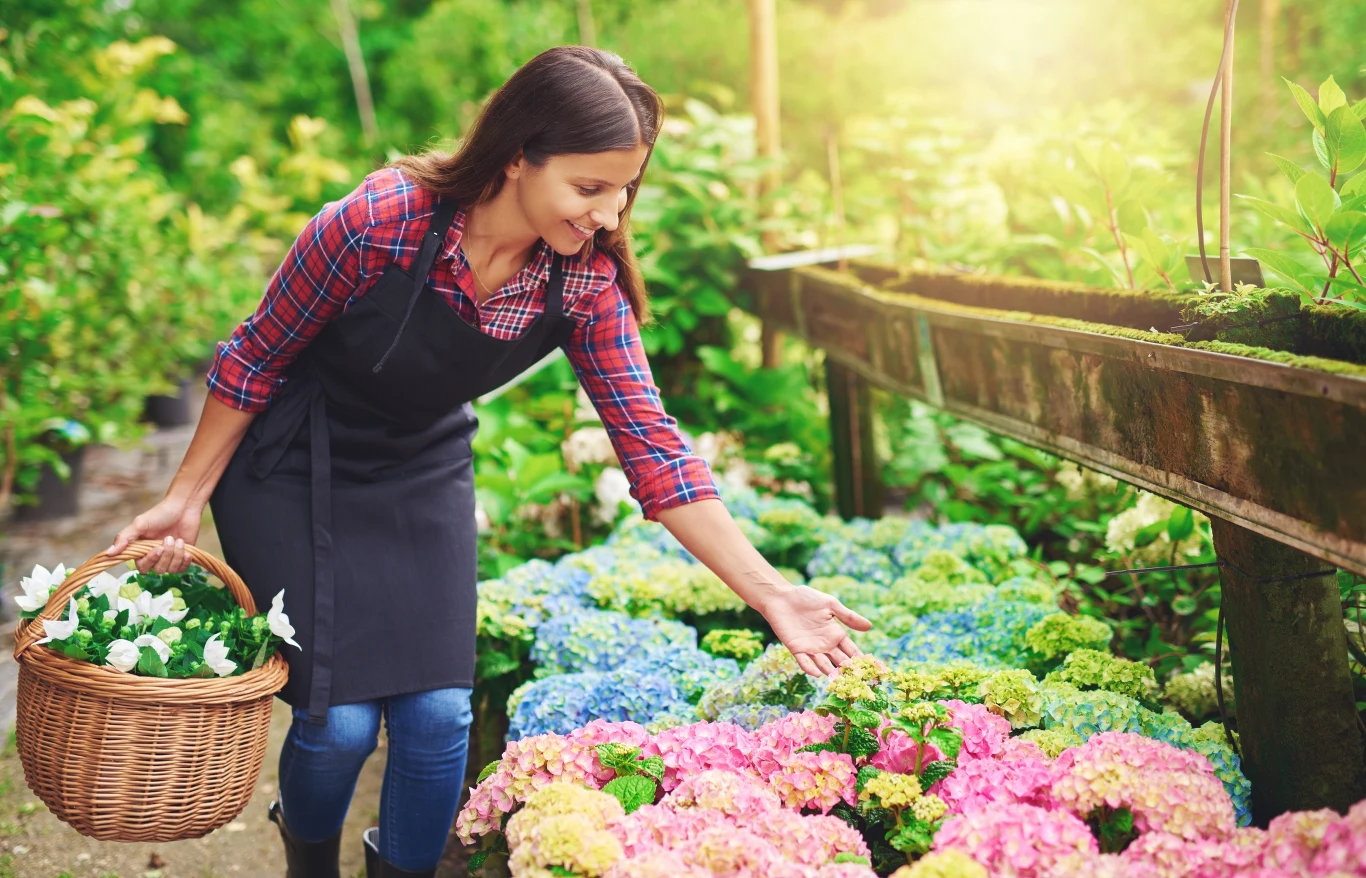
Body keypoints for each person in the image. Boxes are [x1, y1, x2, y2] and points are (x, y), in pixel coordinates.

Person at [108, 45, 871, 878]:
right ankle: (310, 862)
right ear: (517, 155)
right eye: (589, 188)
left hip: (419, 461)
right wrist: (186, 498)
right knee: (340, 724)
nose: (611, 215)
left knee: (438, 714)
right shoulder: (377, 223)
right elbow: (254, 357)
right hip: (294, 458)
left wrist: (771, 592)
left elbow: (654, 451)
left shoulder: (584, 286)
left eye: (625, 190)